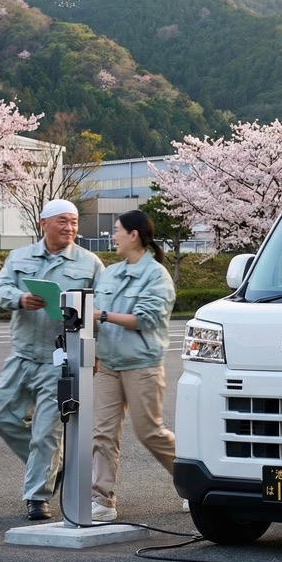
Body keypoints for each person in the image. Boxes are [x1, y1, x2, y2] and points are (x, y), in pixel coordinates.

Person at [0, 199, 105, 521]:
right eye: (62, 221)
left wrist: (95, 351)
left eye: (74, 222)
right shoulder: (19, 257)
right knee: (2, 418)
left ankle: (37, 496)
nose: (70, 228)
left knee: (46, 433)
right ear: (44, 223)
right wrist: (20, 298)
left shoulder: (90, 264)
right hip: (22, 355)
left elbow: (99, 311)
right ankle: (53, 465)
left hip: (61, 359)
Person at [90, 210, 178, 521]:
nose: (112, 236)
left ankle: (193, 482)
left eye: (116, 230)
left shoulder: (156, 275)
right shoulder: (110, 273)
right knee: (102, 433)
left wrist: (102, 316)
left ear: (133, 235)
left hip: (142, 365)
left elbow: (146, 319)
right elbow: (95, 313)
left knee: (150, 432)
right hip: (109, 364)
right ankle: (102, 500)